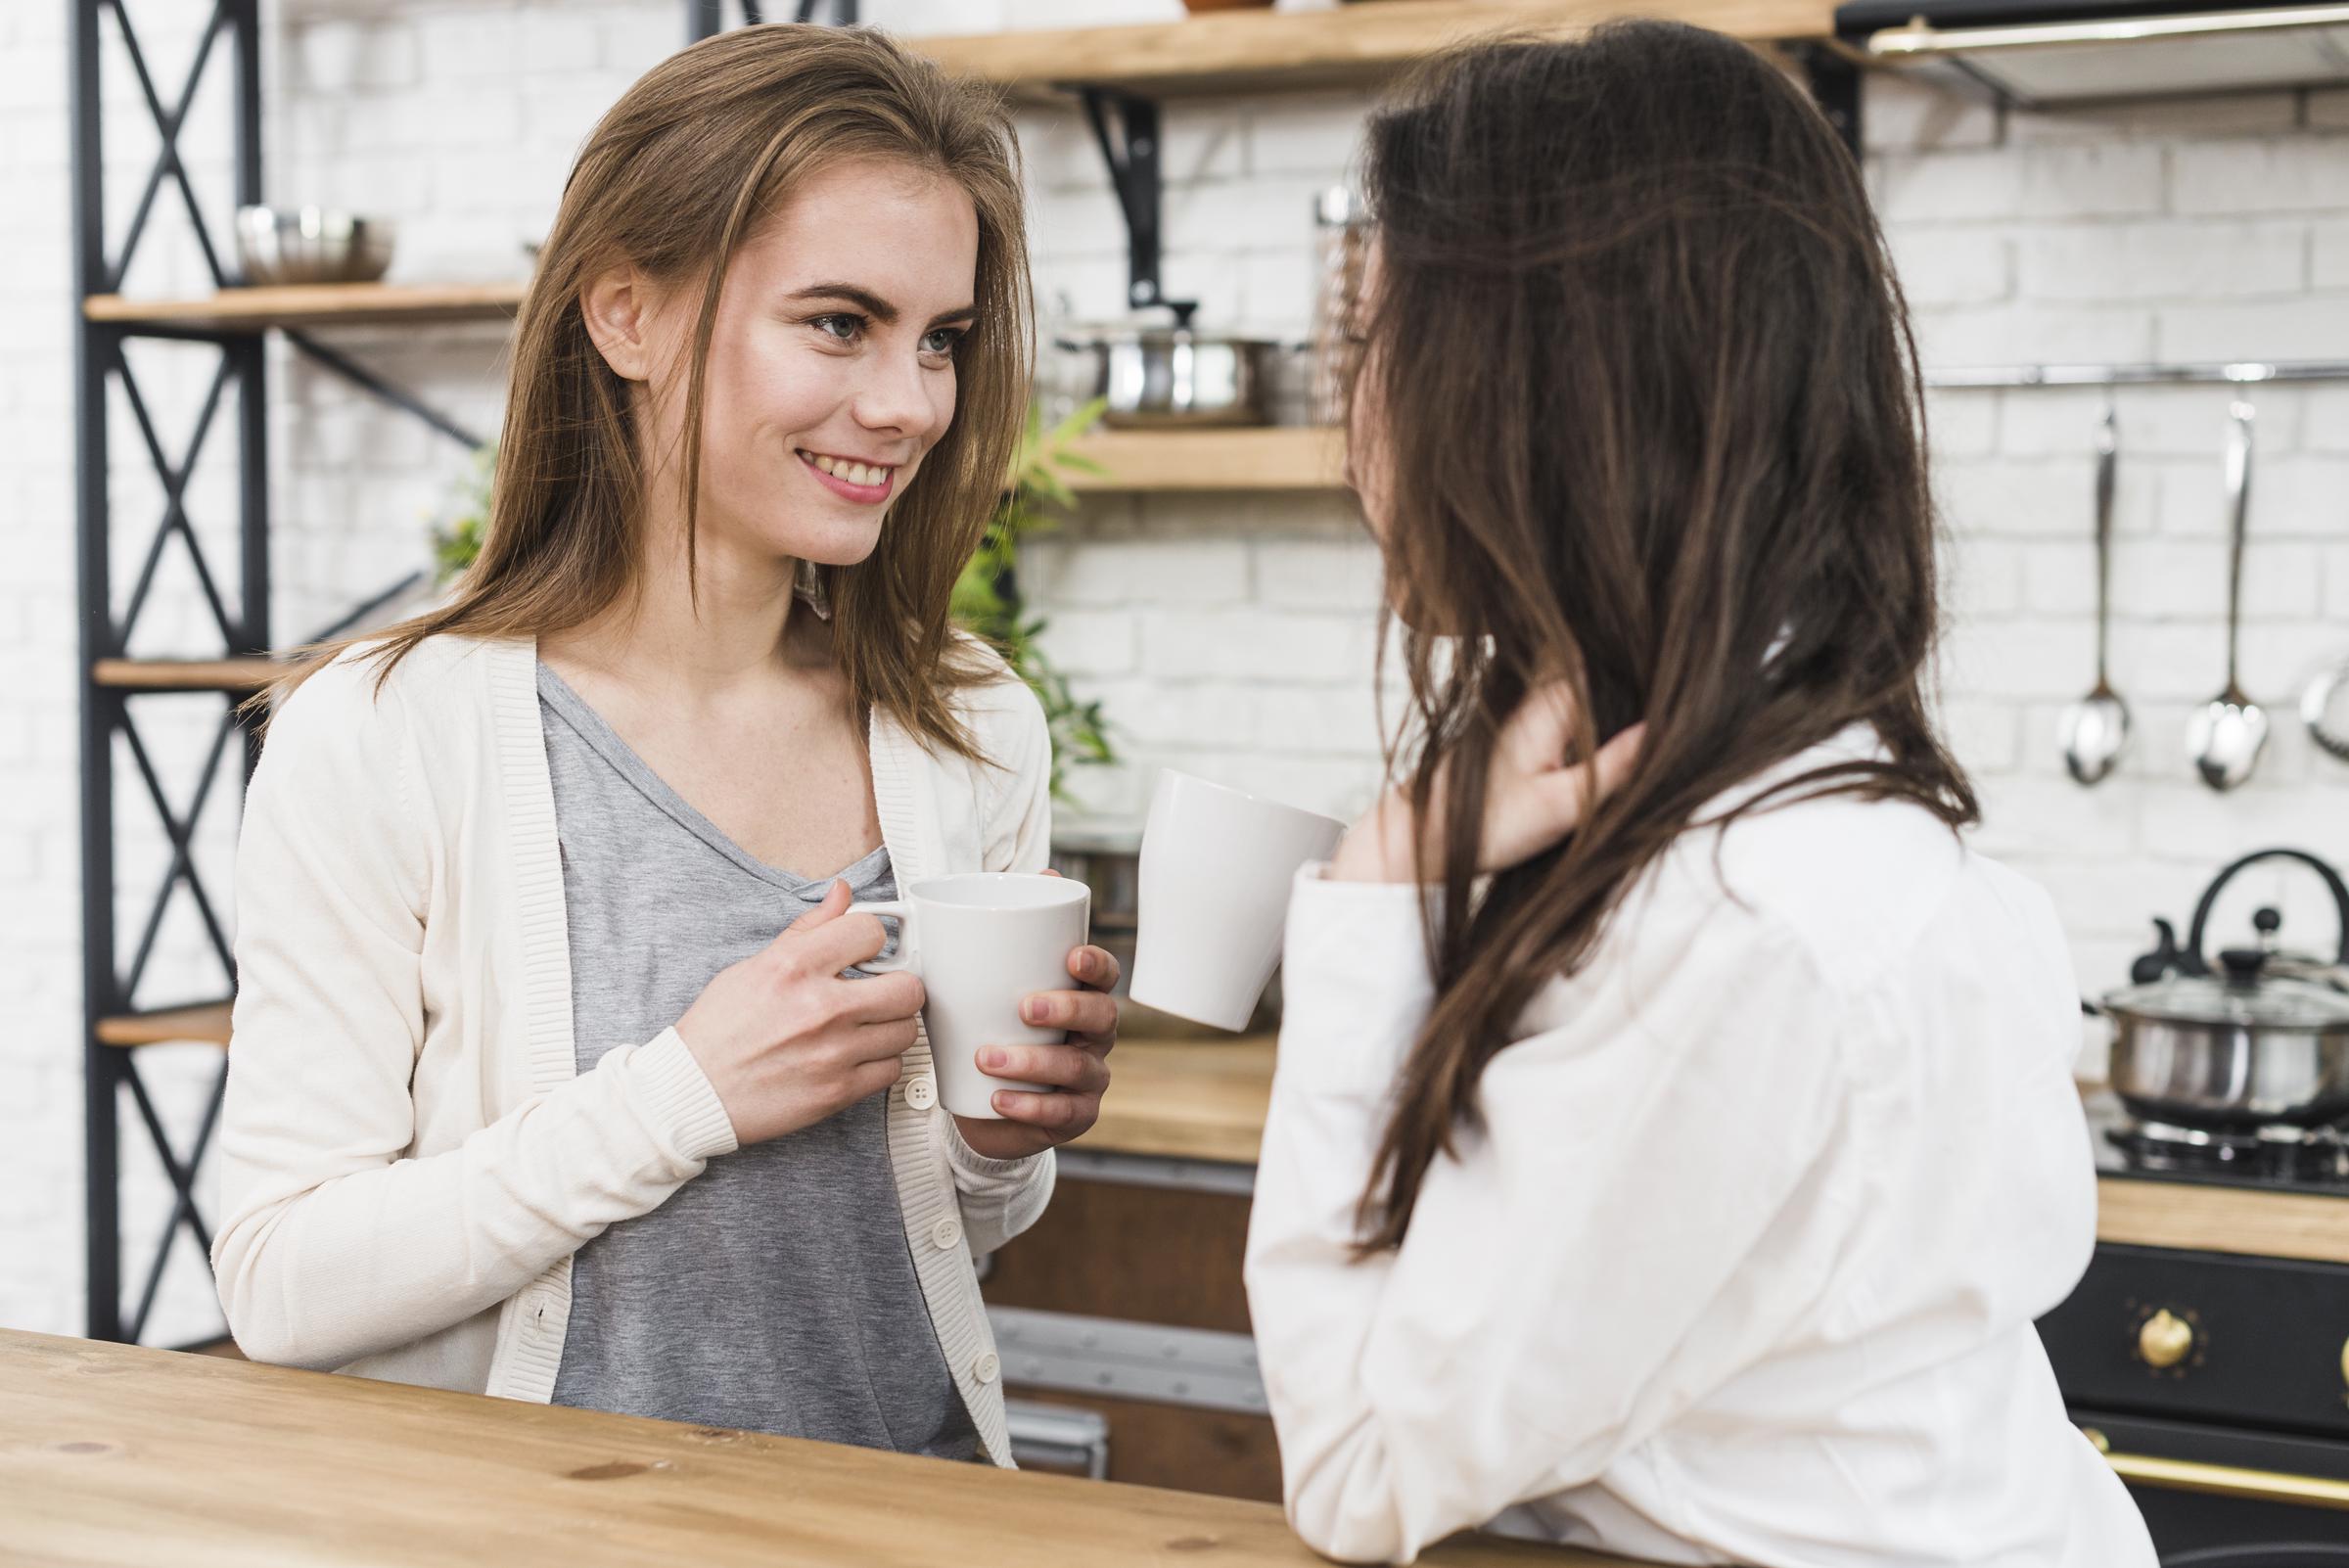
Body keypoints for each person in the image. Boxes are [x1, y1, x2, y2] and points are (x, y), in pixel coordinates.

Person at [1241, 23, 2156, 1566]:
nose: (1358, 417)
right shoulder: (1789, 817)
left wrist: (1378, 890)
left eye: (1379, 346)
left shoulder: (1749, 928)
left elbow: (1362, 1467)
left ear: (1533, 388)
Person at [212, 25, 1119, 1469]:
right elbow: (278, 1278)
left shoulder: (970, 727)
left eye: (940, 338)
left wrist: (1001, 1142)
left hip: (922, 1515)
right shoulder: (384, 735)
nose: (908, 405)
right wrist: (687, 1090)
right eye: (839, 322)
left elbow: (952, 1233)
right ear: (626, 315)